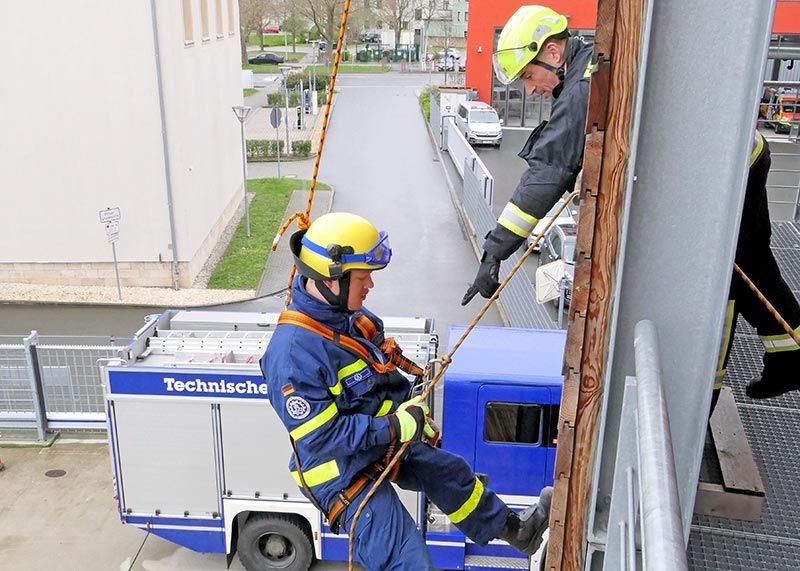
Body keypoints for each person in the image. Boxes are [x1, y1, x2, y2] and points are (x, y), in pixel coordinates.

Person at [462, 5, 800, 401]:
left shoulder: (584, 86)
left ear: (553, 53)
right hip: (743, 156)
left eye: (529, 76)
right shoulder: (590, 68)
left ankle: (701, 396)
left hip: (722, 178)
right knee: (753, 263)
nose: (529, 89)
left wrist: (494, 251)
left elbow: (548, 173)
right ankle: (789, 354)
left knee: (718, 279)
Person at [261, 212, 552, 569]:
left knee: (449, 471)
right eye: (363, 276)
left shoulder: (350, 320)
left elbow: (376, 383)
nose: (370, 285)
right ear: (331, 280)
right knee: (408, 558)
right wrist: (397, 427)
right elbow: (323, 438)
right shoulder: (293, 354)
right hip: (338, 472)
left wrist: (411, 410)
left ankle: (520, 532)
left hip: (369, 445)